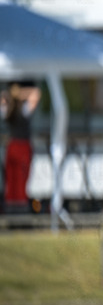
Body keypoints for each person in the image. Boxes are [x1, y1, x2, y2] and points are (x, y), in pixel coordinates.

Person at [1, 81, 40, 213]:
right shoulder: (17, 109)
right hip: (19, 145)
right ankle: (16, 208)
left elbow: (35, 94)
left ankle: (16, 208)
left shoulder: (13, 109)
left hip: (15, 145)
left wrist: (15, 94)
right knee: (16, 178)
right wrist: (15, 94)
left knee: (16, 179)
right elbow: (35, 94)